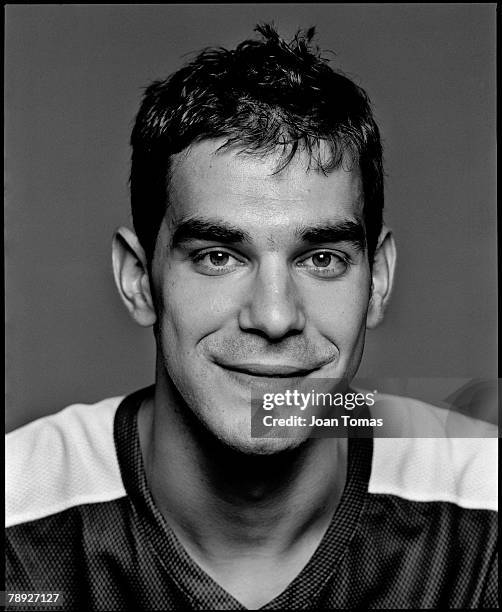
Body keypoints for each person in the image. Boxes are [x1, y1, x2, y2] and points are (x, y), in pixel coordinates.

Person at [6, 24, 497, 610]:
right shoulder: (19, 509)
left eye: (321, 258)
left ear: (378, 279)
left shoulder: (483, 500)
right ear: (139, 278)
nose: (273, 316)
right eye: (218, 256)